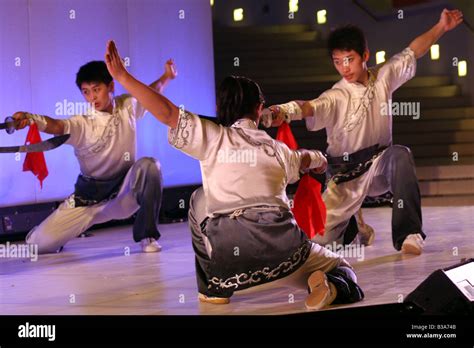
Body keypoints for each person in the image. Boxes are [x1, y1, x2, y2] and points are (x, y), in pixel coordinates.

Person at [104, 40, 364, 310]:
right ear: (259, 107)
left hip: (232, 264)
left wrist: (123, 76)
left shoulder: (213, 137)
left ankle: (213, 288)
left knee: (198, 200)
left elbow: (167, 112)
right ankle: (322, 283)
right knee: (342, 266)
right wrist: (320, 161)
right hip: (287, 255)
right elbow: (307, 158)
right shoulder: (278, 150)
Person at [265, 9, 464, 255]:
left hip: (379, 165)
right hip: (344, 177)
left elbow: (413, 51)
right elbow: (309, 106)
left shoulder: (383, 76)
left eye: (349, 59)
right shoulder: (336, 95)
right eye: (338, 61)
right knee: (318, 244)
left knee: (401, 155)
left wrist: (442, 26)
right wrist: (284, 111)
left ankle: (409, 234)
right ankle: (354, 227)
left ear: (365, 56)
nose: (344, 68)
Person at [13, 59, 178, 254]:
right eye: (86, 92)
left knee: (151, 166)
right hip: (89, 199)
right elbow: (57, 126)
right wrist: (31, 118)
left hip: (124, 193)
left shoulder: (128, 105)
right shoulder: (82, 124)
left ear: (111, 86)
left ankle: (147, 235)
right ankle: (57, 233)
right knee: (37, 246)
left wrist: (167, 76)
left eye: (96, 89)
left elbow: (152, 92)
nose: (92, 97)